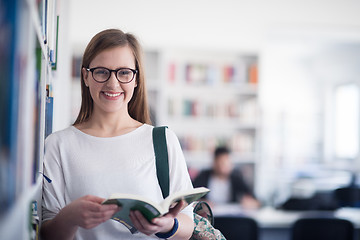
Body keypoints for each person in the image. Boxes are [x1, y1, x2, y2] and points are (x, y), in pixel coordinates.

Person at [40, 29, 194, 240]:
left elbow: (188, 224)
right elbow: (47, 234)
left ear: (136, 79)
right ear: (86, 76)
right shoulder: (58, 145)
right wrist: (69, 217)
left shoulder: (163, 140)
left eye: (124, 72)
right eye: (102, 71)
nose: (113, 84)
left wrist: (168, 225)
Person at [193, 146, 260, 209]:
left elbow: (257, 201)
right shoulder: (203, 177)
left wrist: (251, 203)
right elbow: (190, 198)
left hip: (231, 218)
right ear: (214, 162)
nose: (223, 167)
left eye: (226, 163)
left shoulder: (236, 178)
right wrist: (200, 203)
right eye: (220, 162)